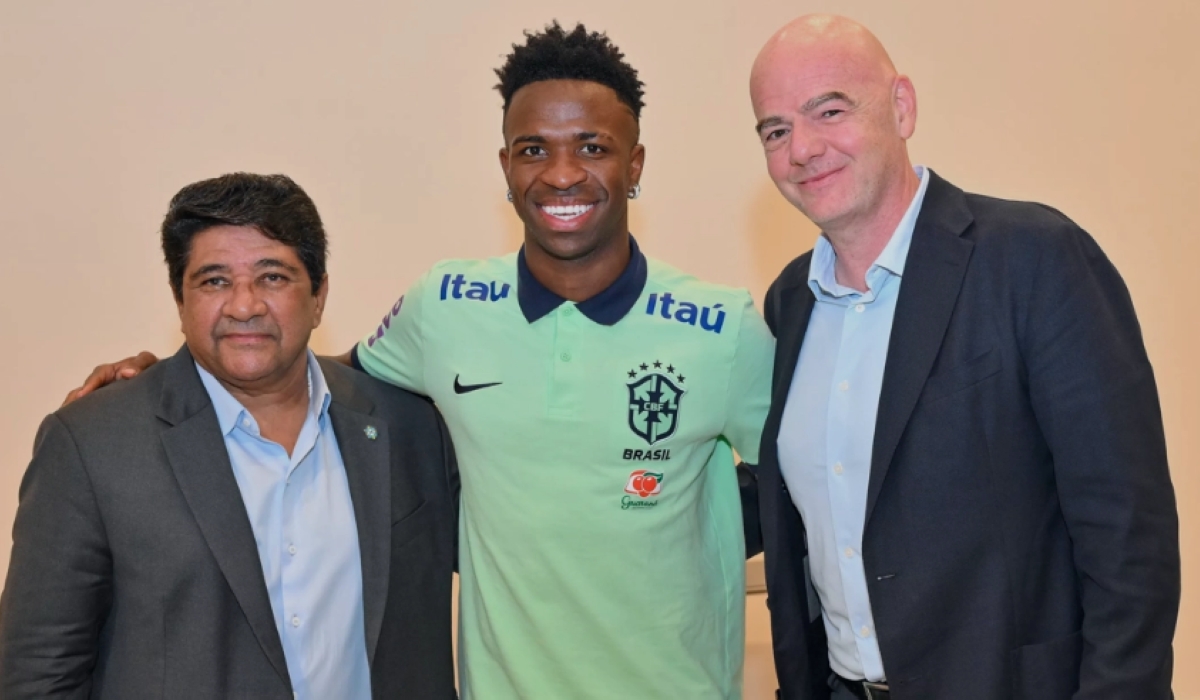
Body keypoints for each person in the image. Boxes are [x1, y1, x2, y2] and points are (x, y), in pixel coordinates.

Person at [61, 23, 773, 699]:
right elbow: (330, 380)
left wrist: (681, 526)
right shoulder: (446, 303)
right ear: (504, 166)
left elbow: (804, 471)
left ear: (635, 162)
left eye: (592, 147)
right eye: (532, 149)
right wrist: (165, 382)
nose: (561, 174)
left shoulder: (720, 325)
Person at [748, 14, 1180, 700]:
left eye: (828, 110)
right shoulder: (788, 304)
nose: (802, 148)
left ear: (901, 106)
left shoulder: (1036, 260)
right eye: (775, 130)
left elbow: (1129, 538)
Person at [0, 173, 459, 699]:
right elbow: (40, 675)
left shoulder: (410, 426)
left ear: (319, 296)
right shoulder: (93, 443)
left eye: (273, 277)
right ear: (180, 300)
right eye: (214, 280)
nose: (244, 306)